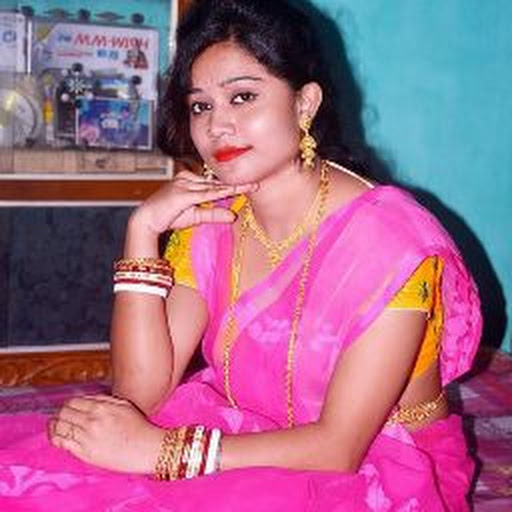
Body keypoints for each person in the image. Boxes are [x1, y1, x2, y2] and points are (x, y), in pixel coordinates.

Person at [0, 1, 482, 510]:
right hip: (245, 437)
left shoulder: (390, 243)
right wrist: (142, 233)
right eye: (200, 106)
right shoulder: (217, 220)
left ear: (305, 104)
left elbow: (338, 450)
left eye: (243, 97)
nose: (217, 126)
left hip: (382, 465)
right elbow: (141, 392)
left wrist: (163, 451)